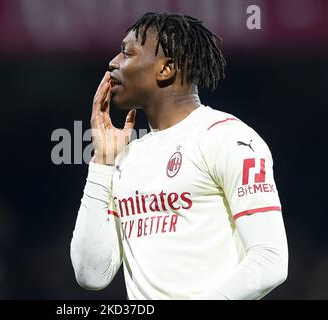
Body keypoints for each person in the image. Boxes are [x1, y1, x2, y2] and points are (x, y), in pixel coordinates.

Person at [70, 12, 288, 300]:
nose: (113, 63)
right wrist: (102, 162)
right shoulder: (124, 158)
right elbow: (92, 274)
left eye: (126, 53)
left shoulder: (230, 139)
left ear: (166, 68)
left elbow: (270, 261)